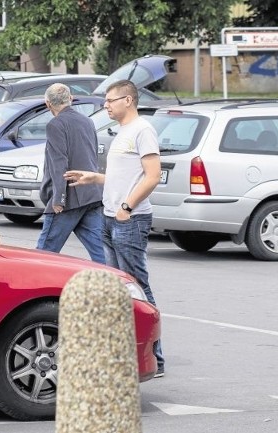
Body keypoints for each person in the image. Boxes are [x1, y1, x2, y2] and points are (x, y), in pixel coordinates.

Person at [64, 79, 165, 377]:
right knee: (119, 289)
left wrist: (127, 207)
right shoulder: (124, 132)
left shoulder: (143, 130)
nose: (106, 105)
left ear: (128, 101)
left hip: (129, 220)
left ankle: (155, 359)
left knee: (137, 288)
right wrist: (94, 178)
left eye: (110, 100)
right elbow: (125, 177)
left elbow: (152, 176)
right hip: (111, 217)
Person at [36, 83, 105, 263]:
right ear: (71, 99)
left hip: (69, 198)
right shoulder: (88, 121)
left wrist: (59, 198)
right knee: (101, 251)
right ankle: (117, 283)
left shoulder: (55, 124)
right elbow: (92, 155)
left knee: (43, 255)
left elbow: (59, 163)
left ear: (47, 103)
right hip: (91, 195)